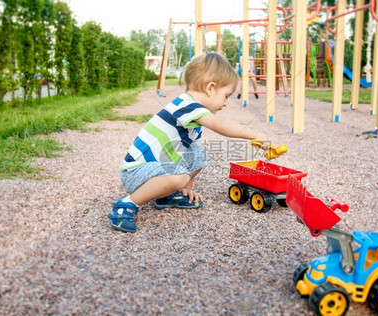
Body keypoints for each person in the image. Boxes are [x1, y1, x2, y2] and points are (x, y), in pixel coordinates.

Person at [109, 52, 268, 233]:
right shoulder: (185, 104)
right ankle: (127, 204)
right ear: (211, 88)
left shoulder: (194, 118)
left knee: (198, 154)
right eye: (226, 96)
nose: (225, 103)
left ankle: (169, 196)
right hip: (136, 171)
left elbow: (191, 154)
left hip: (157, 168)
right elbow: (220, 126)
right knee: (180, 176)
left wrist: (186, 189)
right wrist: (254, 135)